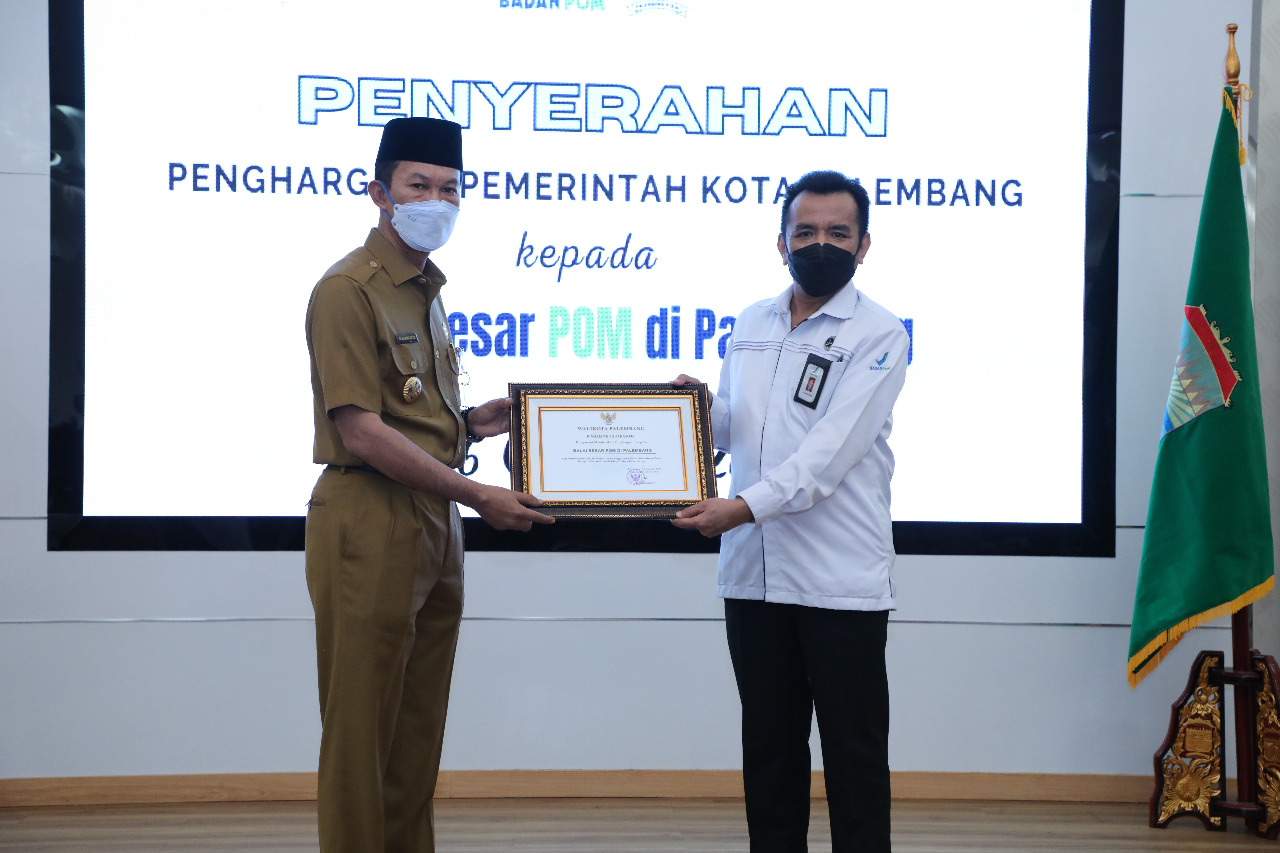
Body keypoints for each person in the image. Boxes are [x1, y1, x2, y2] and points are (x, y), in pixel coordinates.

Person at [304, 116, 553, 853]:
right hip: (369, 517)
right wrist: (478, 494)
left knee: (416, 729)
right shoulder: (348, 289)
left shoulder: (425, 288)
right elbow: (360, 430)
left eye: (450, 189)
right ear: (379, 192)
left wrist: (471, 425)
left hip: (433, 522)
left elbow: (407, 415)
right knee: (361, 733)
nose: (436, 201)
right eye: (419, 185)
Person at [673, 170, 909, 853]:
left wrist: (740, 508)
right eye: (805, 231)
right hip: (754, 576)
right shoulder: (752, 322)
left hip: (839, 580)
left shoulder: (879, 333)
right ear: (781, 243)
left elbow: (827, 457)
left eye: (838, 232)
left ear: (864, 245)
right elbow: (742, 431)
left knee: (854, 755)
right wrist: (693, 414)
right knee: (770, 750)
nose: (820, 244)